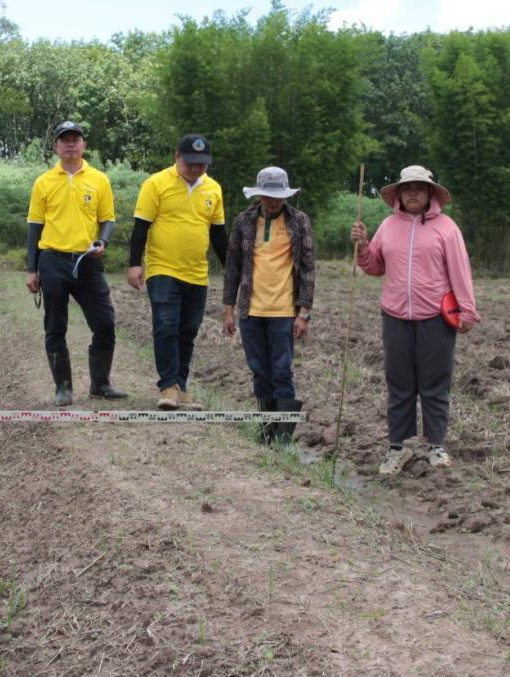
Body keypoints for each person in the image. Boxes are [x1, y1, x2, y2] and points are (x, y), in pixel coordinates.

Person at [349, 165, 479, 474]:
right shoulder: (388, 226)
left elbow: (460, 271)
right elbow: (374, 266)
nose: (413, 193)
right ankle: (398, 447)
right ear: (399, 194)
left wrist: (468, 310)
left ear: (430, 193)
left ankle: (436, 445)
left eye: (419, 188)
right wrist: (364, 245)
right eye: (407, 188)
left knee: (434, 385)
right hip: (395, 317)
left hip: (436, 318)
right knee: (400, 385)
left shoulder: (447, 229)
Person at [26, 120, 126, 405]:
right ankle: (63, 387)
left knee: (105, 322)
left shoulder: (99, 180)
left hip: (87, 261)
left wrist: (103, 241)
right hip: (53, 260)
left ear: (83, 145)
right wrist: (32, 269)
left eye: (75, 138)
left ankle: (101, 384)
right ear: (56, 146)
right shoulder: (44, 182)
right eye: (64, 139)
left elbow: (107, 219)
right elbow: (34, 226)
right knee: (56, 326)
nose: (70, 143)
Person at [127, 134, 227, 409]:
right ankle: (168, 386)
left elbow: (218, 235)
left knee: (188, 330)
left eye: (202, 164)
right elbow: (141, 227)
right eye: (191, 163)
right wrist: (135, 263)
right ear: (177, 157)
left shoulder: (214, 189)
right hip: (163, 268)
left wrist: (233, 270)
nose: (196, 169)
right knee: (166, 326)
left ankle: (180, 387)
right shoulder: (156, 183)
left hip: (197, 273)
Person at [222, 167, 316, 445]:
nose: (273, 201)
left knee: (282, 371)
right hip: (251, 310)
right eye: (268, 196)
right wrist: (228, 309)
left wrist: (304, 313)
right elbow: (232, 268)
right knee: (260, 371)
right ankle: (266, 432)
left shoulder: (299, 222)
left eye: (278, 196)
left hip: (284, 312)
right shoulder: (244, 221)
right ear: (259, 194)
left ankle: (283, 438)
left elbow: (308, 269)